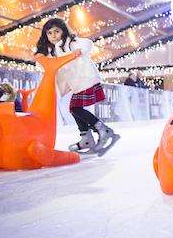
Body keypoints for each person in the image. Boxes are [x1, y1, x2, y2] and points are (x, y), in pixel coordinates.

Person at [35, 18, 119, 156]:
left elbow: (87, 43)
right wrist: (41, 59)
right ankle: (87, 139)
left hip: (85, 78)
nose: (54, 35)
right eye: (49, 33)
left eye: (57, 31)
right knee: (74, 109)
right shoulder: (52, 51)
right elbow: (47, 65)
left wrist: (79, 51)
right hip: (77, 84)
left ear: (63, 31)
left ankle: (104, 130)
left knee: (75, 108)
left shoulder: (70, 42)